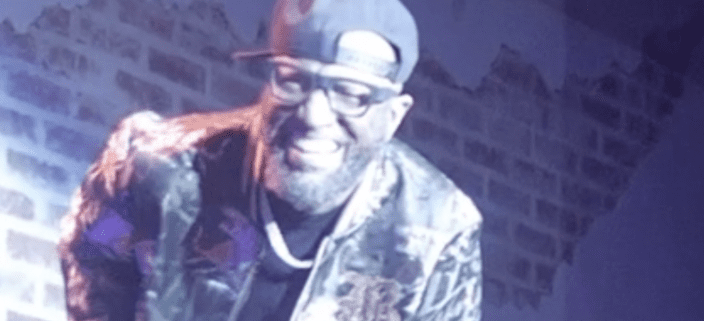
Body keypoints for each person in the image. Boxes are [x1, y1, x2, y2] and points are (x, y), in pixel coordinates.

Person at [58, 0, 483, 320]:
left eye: (352, 94)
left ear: (393, 116)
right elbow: (96, 262)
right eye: (293, 79)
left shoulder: (440, 231)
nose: (314, 115)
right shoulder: (155, 164)